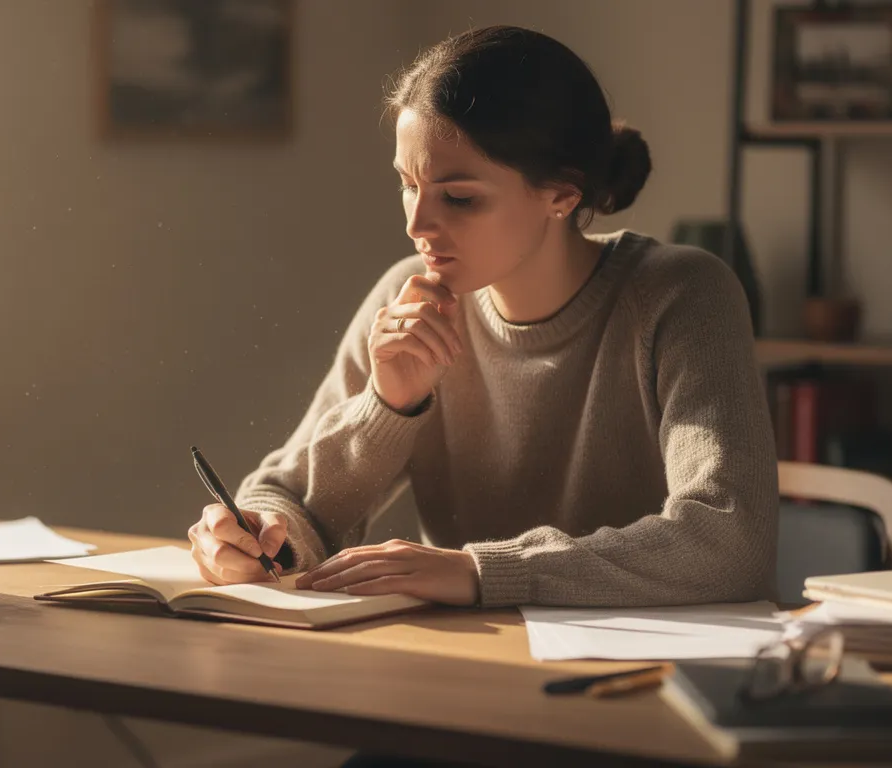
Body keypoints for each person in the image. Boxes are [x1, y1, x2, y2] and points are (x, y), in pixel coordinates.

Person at [187, 24, 778, 613]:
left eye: (459, 197)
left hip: (649, 673)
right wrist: (259, 533)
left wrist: (481, 571)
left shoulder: (682, 293)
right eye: (407, 184)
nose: (417, 224)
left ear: (562, 196)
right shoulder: (407, 295)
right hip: (465, 661)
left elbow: (730, 538)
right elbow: (288, 502)